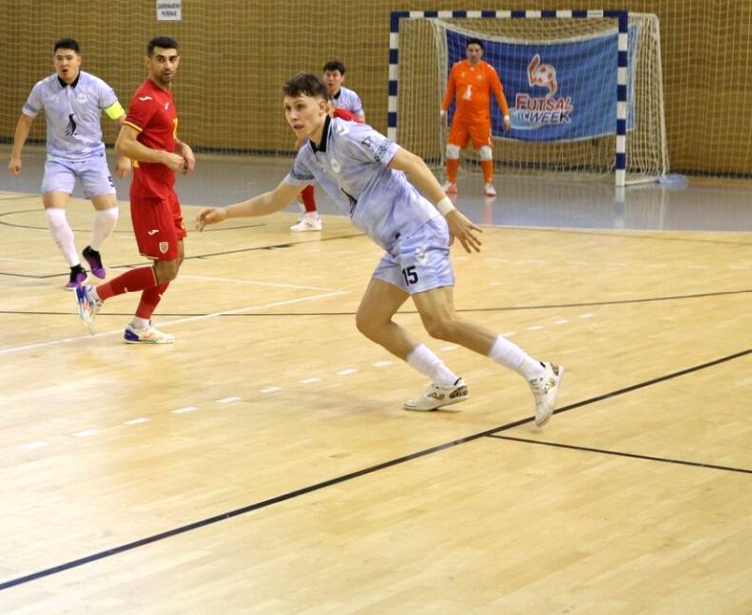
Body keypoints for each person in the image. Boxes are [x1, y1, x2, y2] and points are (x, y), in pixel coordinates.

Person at [197, 72, 565, 425]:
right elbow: (275, 199)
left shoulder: (352, 136)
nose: (293, 115)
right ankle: (445, 383)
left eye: (300, 106)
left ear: (323, 107)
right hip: (395, 242)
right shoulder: (309, 155)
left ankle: (539, 372)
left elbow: (413, 162)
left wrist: (450, 213)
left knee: (441, 322)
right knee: (370, 320)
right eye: (287, 109)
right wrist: (226, 213)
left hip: (417, 230)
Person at [75, 36, 195, 344]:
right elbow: (124, 143)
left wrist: (181, 147)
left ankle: (140, 325)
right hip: (151, 193)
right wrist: (164, 157)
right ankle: (93, 295)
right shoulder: (146, 99)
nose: (166, 65)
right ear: (148, 61)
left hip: (167, 191)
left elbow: (160, 137)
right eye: (160, 59)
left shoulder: (165, 96)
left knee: (177, 258)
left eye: (172, 59)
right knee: (166, 268)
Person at [9, 38, 130, 289]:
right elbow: (25, 120)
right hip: (59, 159)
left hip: (92, 156)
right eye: (59, 58)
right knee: (54, 214)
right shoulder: (42, 88)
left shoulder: (97, 87)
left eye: (69, 58)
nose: (64, 63)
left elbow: (123, 121)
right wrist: (15, 155)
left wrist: (126, 155)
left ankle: (93, 251)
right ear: (54, 61)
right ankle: (76, 269)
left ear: (79, 60)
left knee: (110, 213)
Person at [291, 60, 365, 232]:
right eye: (328, 75)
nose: (331, 79)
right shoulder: (315, 96)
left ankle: (372, 214)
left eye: (335, 75)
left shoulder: (349, 100)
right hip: (322, 145)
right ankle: (310, 215)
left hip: (345, 148)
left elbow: (361, 124)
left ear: (342, 78)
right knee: (300, 178)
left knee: (356, 185)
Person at [440, 38, 510, 197]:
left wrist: (506, 115)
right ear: (466, 52)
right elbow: (450, 91)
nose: (473, 53)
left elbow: (499, 93)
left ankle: (488, 184)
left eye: (476, 50)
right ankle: (451, 183)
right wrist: (443, 110)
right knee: (451, 149)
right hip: (460, 119)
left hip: (480, 120)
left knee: (485, 151)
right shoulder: (457, 68)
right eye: (470, 50)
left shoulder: (488, 70)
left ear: (482, 52)